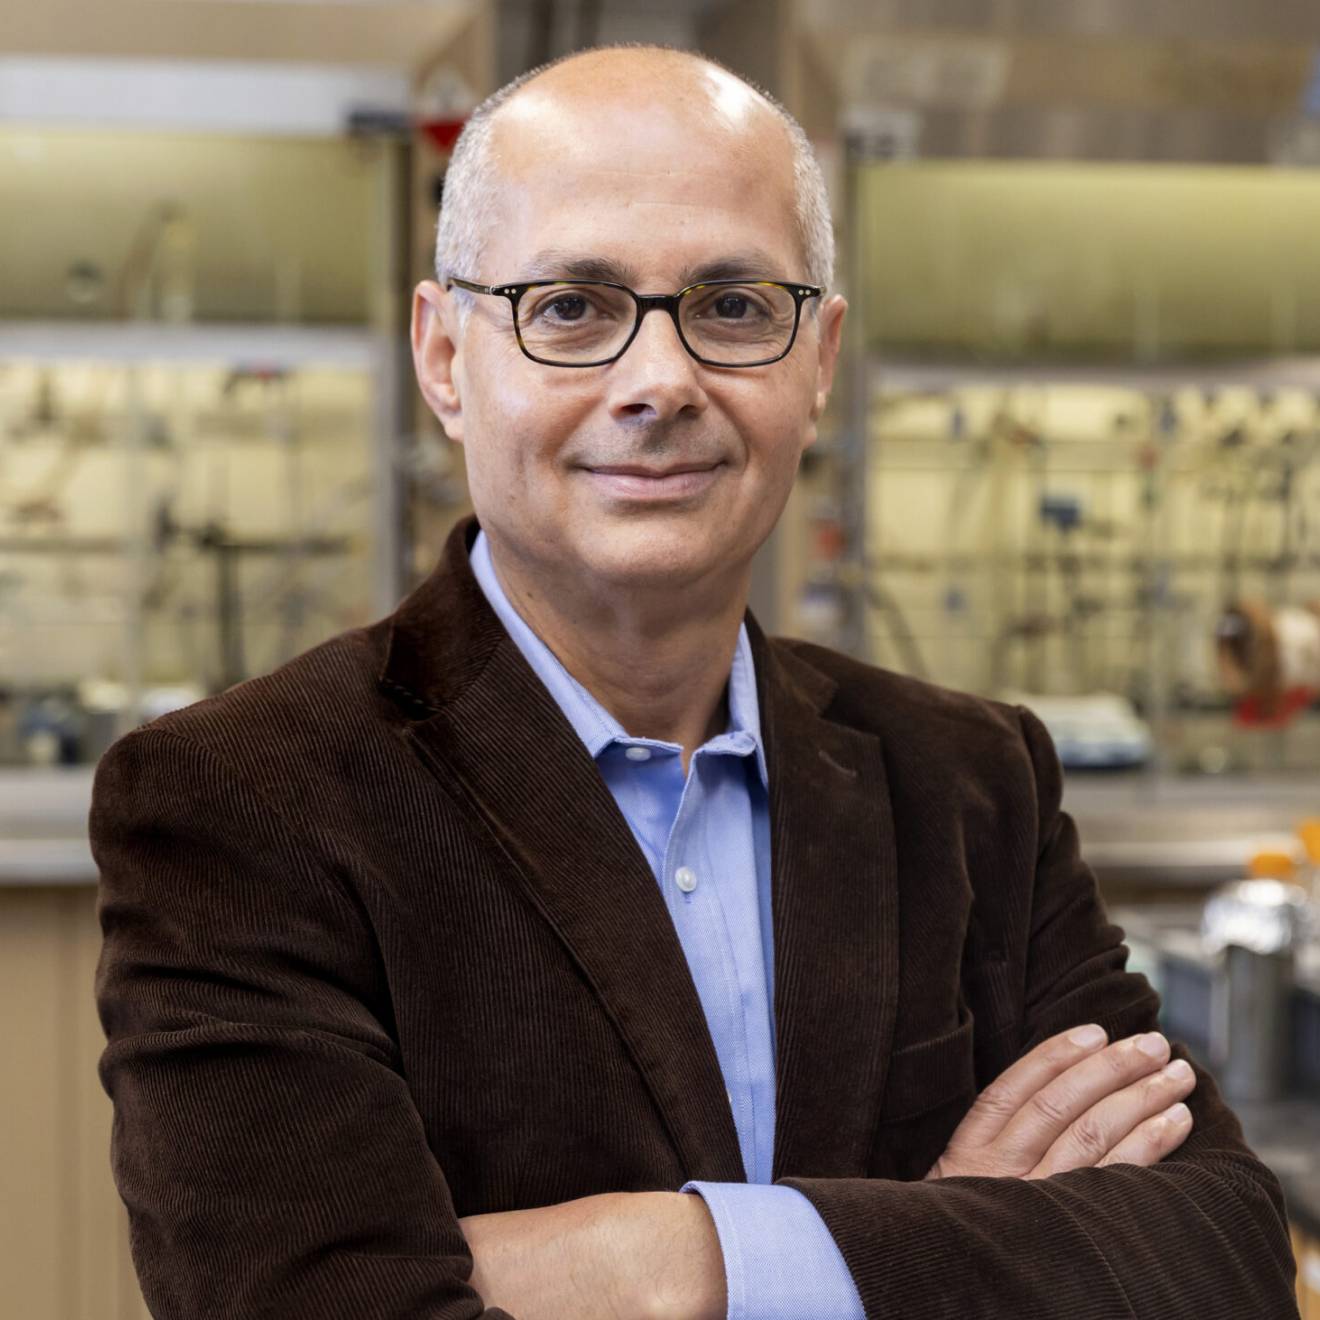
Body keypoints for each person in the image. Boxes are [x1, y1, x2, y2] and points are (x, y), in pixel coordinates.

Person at [91, 43, 1299, 1320]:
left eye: (731, 306)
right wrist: (949, 1231)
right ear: (444, 357)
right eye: (570, 306)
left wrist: (667, 1261)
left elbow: (1217, 1258)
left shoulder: (971, 783)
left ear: (819, 361)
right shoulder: (240, 804)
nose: (659, 382)